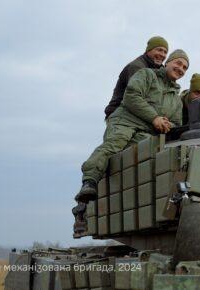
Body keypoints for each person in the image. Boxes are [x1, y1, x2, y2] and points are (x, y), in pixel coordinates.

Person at [76, 49, 189, 202]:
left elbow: (176, 124)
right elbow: (131, 96)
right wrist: (155, 117)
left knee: (145, 155)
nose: (181, 69)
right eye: (178, 63)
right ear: (167, 62)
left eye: (185, 68)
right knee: (115, 144)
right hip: (125, 121)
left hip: (147, 132)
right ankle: (89, 182)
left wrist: (167, 125)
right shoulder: (147, 75)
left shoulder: (176, 100)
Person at [104, 36, 169, 119]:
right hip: (120, 115)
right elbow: (137, 96)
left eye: (165, 52)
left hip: (139, 112)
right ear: (149, 50)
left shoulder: (160, 69)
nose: (162, 54)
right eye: (159, 50)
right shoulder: (137, 66)